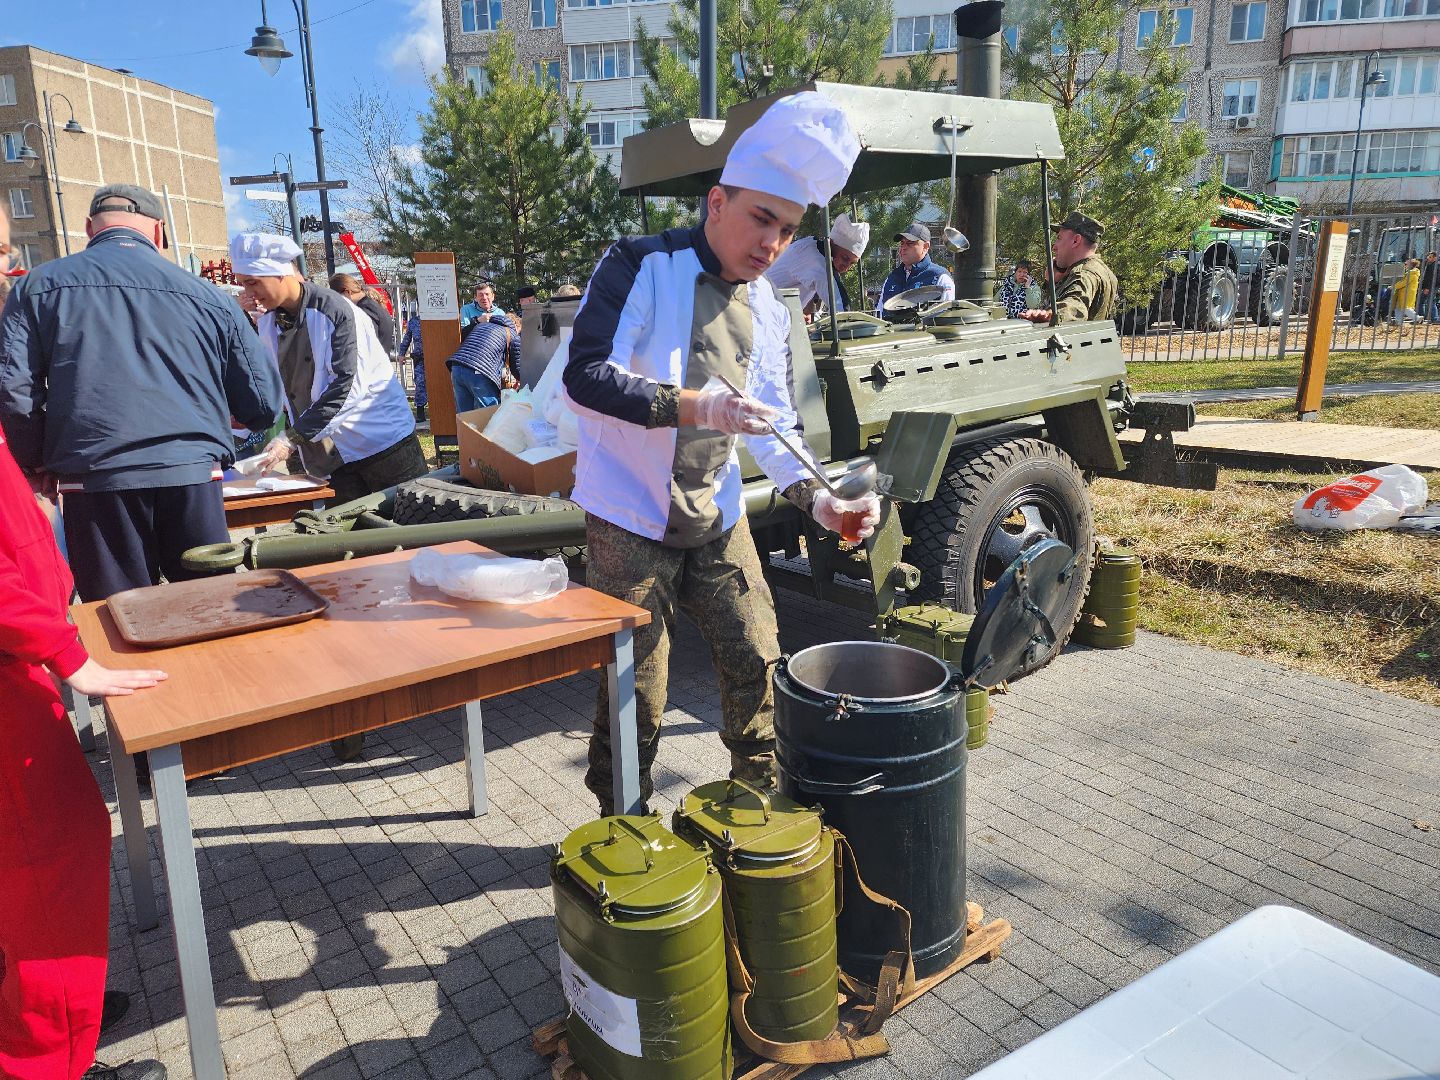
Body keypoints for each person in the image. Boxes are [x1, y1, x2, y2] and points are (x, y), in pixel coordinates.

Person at [563, 90, 881, 815]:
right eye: (760, 218)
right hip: (627, 516)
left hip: (715, 510)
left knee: (758, 656)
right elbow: (585, 377)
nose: (771, 243)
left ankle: (755, 807)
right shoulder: (639, 264)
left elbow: (774, 426)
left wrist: (822, 501)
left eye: (787, 228)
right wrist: (695, 405)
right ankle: (624, 821)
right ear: (716, 203)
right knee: (635, 687)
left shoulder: (769, 307)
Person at [0, 181, 171, 1080]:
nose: (10, 273)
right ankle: (44, 1052)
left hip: (27, 641)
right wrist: (65, 650)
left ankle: (40, 1012)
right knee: (50, 852)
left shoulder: (45, 301)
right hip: (12, 670)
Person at [0, 184, 284, 603]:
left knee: (119, 612)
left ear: (87, 229)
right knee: (211, 604)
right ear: (160, 232)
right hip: (190, 470)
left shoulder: (37, 288)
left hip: (93, 476)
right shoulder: (207, 296)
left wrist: (35, 460)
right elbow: (261, 402)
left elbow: (15, 391)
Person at [230, 233, 426, 504]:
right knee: (349, 539)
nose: (248, 294)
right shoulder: (269, 321)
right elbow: (271, 382)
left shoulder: (334, 310)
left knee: (414, 525)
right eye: (242, 285)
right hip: (334, 454)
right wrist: (238, 429)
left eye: (253, 283)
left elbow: (346, 386)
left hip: (382, 440)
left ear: (279, 274)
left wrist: (292, 438)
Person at [1018, 211, 1117, 324]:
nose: (1054, 247)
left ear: (1076, 240)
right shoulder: (1104, 271)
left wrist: (1051, 316)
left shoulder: (1083, 274)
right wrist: (1053, 283)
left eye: (1059, 238)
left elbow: (1075, 305)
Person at [764, 211, 870, 316]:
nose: (846, 267)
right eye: (845, 258)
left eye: (852, 263)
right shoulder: (816, 260)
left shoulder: (810, 246)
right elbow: (842, 309)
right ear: (832, 244)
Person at [446, 311, 520, 413]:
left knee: (464, 415)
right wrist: (524, 382)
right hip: (479, 372)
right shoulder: (511, 333)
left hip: (456, 367)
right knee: (489, 413)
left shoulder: (482, 326)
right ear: (516, 325)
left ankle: (464, 429)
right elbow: (517, 365)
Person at [877, 222, 955, 316]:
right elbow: (879, 315)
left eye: (910, 243)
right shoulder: (891, 278)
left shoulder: (940, 277)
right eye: (902, 243)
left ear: (925, 247)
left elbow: (946, 317)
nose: (903, 247)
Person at [329, 273, 396, 355]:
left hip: (371, 365)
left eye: (337, 297)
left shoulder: (363, 310)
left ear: (347, 292)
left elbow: (363, 344)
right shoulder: (372, 304)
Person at [398, 307, 428, 422]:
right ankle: (420, 413)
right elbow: (407, 339)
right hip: (420, 358)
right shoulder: (414, 322)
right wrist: (402, 354)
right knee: (420, 384)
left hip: (436, 358)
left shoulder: (435, 320)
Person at [1390, 257, 1421, 326]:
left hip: (1406, 293)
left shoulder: (1412, 274)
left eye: (1406, 264)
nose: (1405, 265)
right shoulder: (1410, 273)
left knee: (1405, 308)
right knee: (1398, 307)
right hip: (1403, 293)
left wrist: (1394, 286)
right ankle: (1398, 321)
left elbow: (1404, 283)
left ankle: (1417, 318)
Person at [1420, 251, 1439, 323]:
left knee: (1430, 302)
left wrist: (1427, 288)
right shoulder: (1430, 264)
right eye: (1428, 256)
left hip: (1431, 287)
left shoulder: (1434, 266)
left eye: (1430, 257)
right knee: (1423, 301)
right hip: (1429, 287)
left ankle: (1434, 318)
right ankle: (1422, 317)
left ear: (1435, 258)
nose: (1428, 258)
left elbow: (1431, 278)